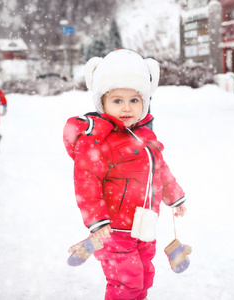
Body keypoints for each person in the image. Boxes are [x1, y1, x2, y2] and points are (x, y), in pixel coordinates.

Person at [63, 49, 187, 300]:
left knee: (143, 280)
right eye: (117, 100)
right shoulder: (99, 141)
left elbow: (160, 169)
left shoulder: (145, 135)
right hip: (114, 230)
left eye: (134, 100)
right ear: (103, 103)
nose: (126, 107)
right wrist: (98, 221)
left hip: (144, 226)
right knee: (125, 283)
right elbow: (87, 182)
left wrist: (175, 197)